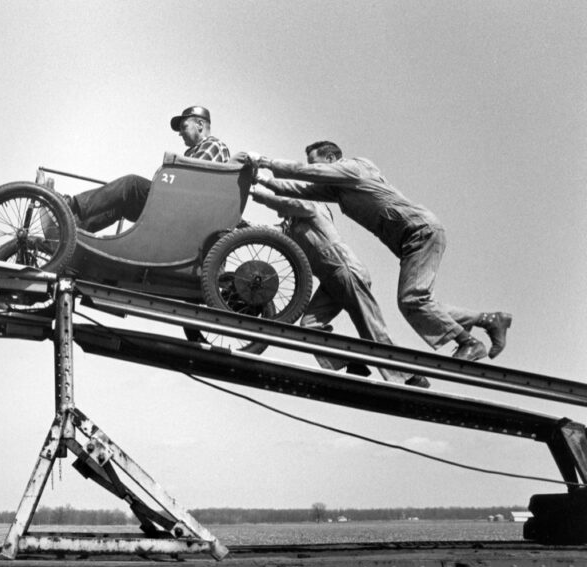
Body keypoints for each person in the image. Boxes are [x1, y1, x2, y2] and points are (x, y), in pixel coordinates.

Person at [240, 142, 511, 361]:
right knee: (420, 303)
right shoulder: (341, 191)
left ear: (332, 158)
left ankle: (469, 343)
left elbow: (306, 176)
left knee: (412, 301)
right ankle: (489, 320)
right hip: (411, 239)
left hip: (420, 230)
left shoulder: (354, 168)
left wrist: (264, 161)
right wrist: (261, 180)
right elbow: (300, 188)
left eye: (316, 163)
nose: (313, 169)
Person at [249, 182, 429, 387]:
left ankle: (410, 376)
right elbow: (269, 232)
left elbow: (296, 204)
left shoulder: (312, 206)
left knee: (370, 327)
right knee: (309, 326)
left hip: (345, 271)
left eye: (282, 199)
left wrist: (260, 194)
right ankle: (351, 361)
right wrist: (241, 226)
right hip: (331, 280)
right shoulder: (292, 226)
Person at [69, 106, 231, 233]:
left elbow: (189, 179)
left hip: (181, 207)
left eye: (184, 127)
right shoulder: (195, 150)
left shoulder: (213, 145)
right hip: (177, 204)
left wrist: (165, 174)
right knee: (121, 204)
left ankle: (72, 204)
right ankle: (75, 230)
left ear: (200, 125)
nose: (180, 133)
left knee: (130, 184)